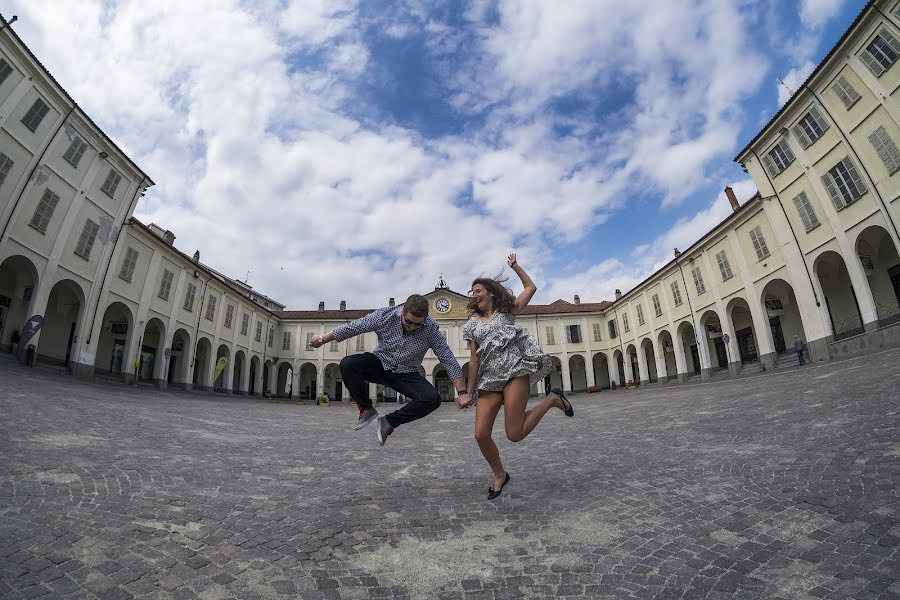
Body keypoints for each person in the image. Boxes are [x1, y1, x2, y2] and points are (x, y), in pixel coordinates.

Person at [464, 254, 574, 500]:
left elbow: (531, 287)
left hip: (515, 371)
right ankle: (500, 473)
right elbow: (474, 359)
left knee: (514, 434)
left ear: (491, 292)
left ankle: (551, 400)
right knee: (481, 434)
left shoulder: (508, 311)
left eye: (478, 290)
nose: (474, 294)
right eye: (471, 291)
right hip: (489, 381)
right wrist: (468, 392)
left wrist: (515, 266)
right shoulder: (471, 325)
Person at [309, 294, 470, 446]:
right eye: (408, 322)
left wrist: (462, 392)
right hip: (380, 364)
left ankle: (389, 422)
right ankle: (366, 409)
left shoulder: (431, 330)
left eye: (417, 324)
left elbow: (447, 359)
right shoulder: (384, 316)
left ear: (425, 319)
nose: (412, 327)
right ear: (402, 312)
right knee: (348, 364)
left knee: (432, 399)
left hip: (406, 373)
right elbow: (354, 327)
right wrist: (322, 339)